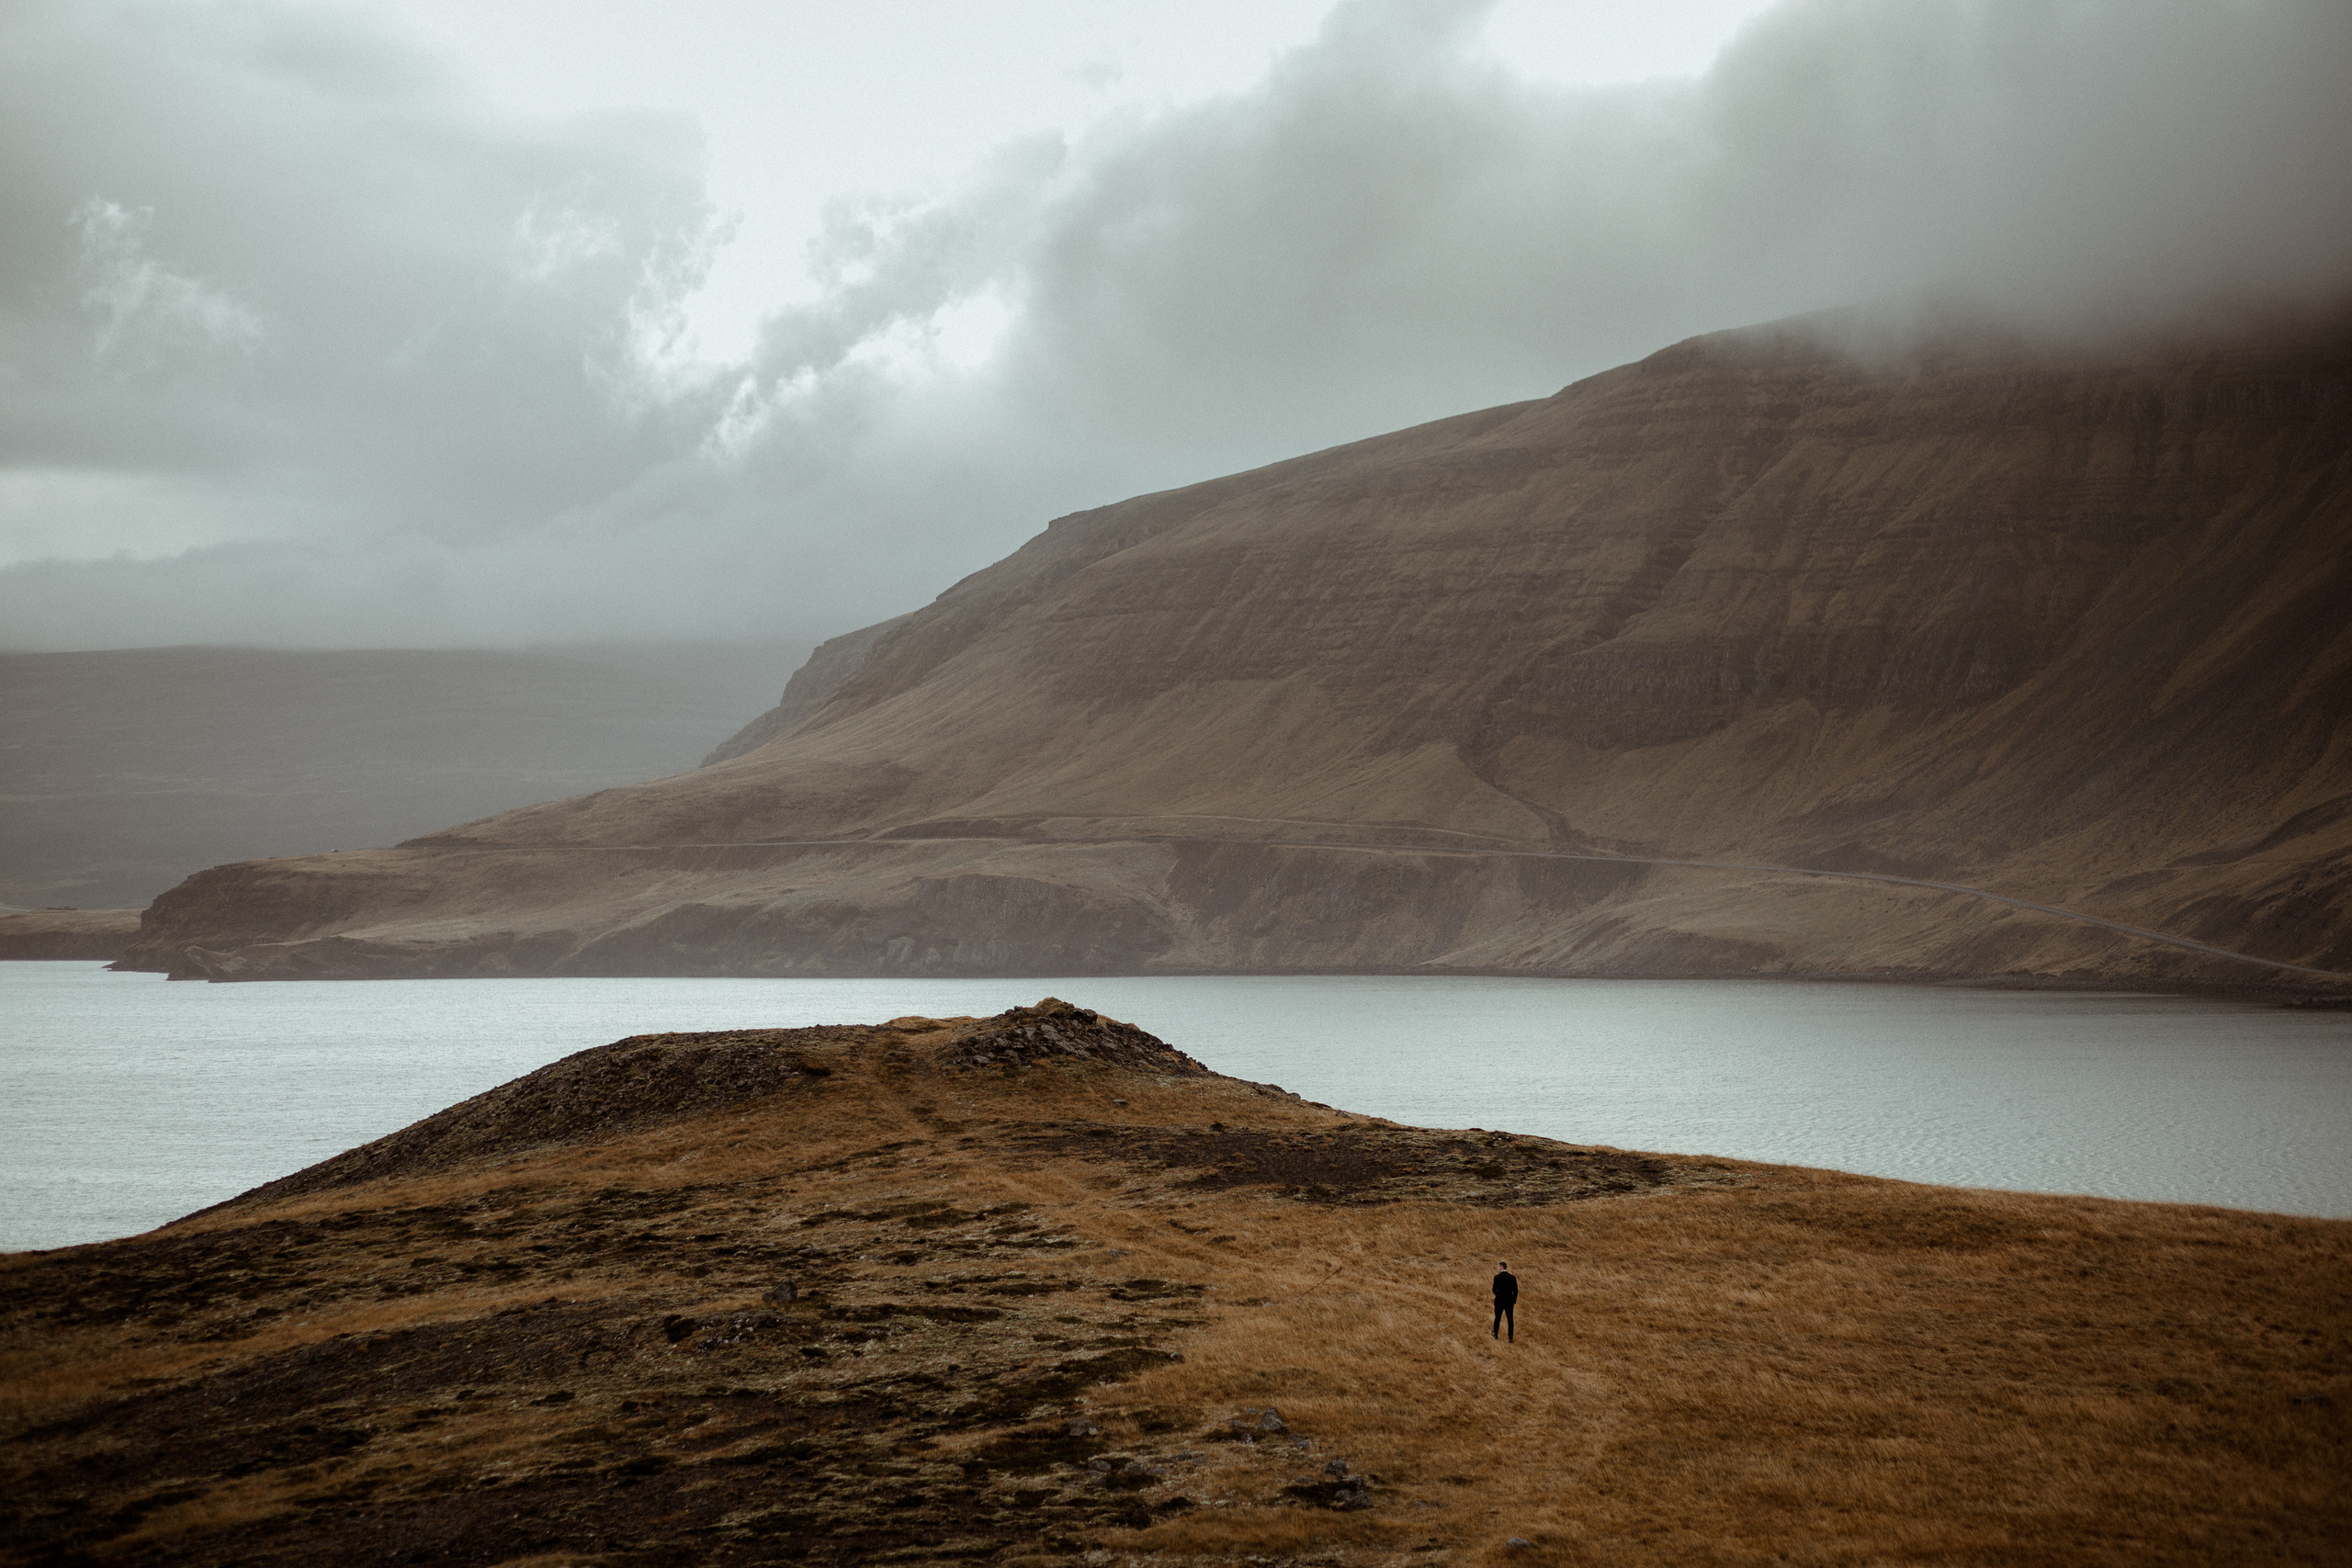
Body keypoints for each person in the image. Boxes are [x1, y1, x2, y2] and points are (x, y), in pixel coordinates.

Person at [1491, 1260, 1518, 1341]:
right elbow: (1516, 1290)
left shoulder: (1497, 1277)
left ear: (1501, 1267)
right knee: (1510, 1319)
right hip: (1509, 1302)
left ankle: (1495, 1334)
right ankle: (1510, 1337)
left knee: (1497, 1318)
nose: (1498, 1268)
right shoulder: (1512, 1277)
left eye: (1498, 1267)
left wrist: (1498, 1295)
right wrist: (1513, 1300)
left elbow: (1494, 1290)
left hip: (1499, 1301)